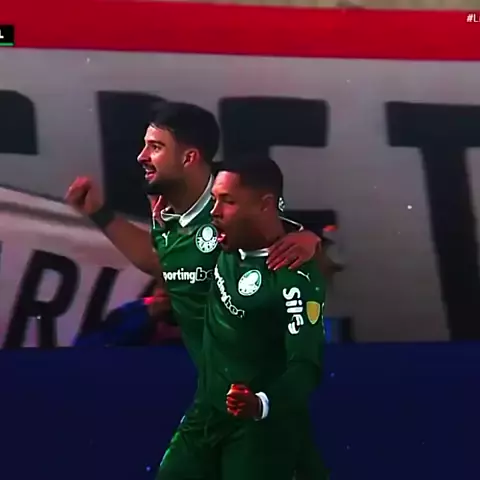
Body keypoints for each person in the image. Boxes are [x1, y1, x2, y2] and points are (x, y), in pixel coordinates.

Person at [65, 101, 334, 478]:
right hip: (213, 397)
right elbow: (160, 262)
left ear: (190, 157)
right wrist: (99, 212)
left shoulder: (235, 211)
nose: (142, 156)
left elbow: (285, 249)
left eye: (155, 147)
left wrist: (310, 240)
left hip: (256, 397)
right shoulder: (168, 213)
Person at [157, 156, 327, 480]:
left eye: (228, 201)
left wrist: (261, 404)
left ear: (265, 205)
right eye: (214, 199)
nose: (214, 211)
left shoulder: (294, 278)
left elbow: (306, 366)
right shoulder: (222, 239)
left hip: (257, 429)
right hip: (205, 413)